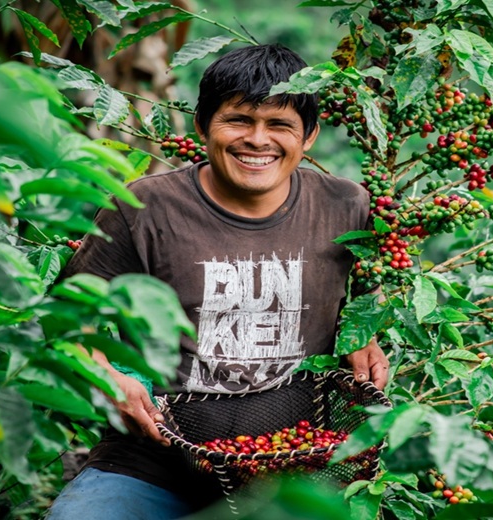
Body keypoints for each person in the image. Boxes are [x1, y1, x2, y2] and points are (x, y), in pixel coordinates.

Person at [46, 43, 389, 519]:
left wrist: (363, 337)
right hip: (153, 460)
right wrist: (107, 376)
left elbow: (371, 296)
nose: (257, 139)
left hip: (292, 462)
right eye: (239, 120)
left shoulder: (346, 206)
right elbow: (66, 319)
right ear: (203, 126)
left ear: (308, 137)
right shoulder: (141, 208)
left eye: (279, 125)